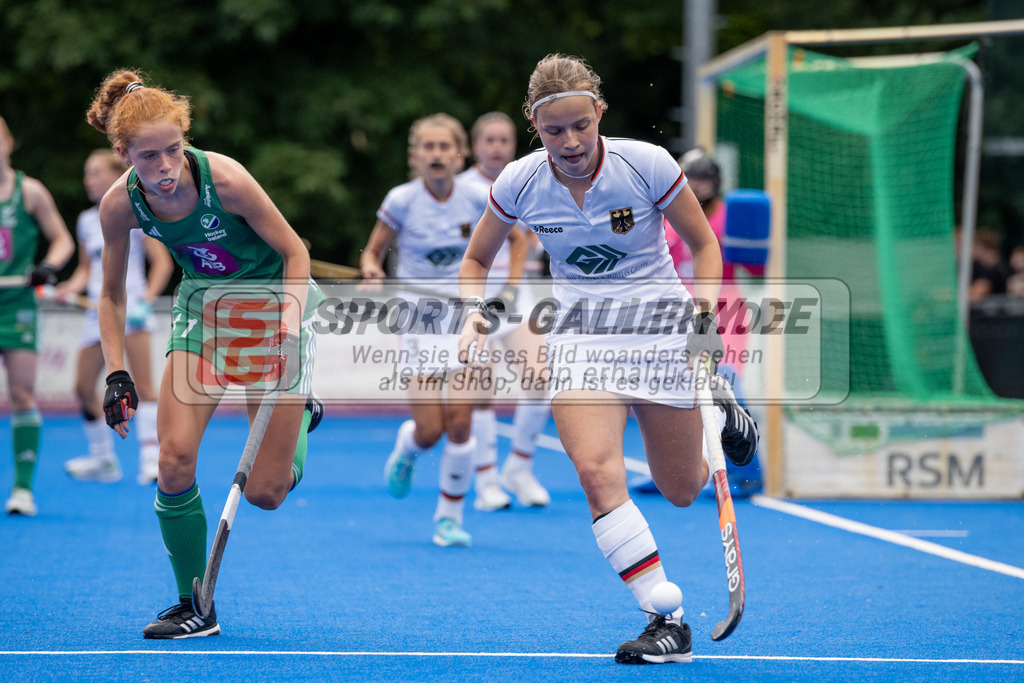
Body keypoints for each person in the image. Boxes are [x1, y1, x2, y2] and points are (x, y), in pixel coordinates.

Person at [457, 54, 759, 665]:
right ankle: (663, 618)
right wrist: (475, 311)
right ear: (534, 128)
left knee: (680, 489)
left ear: (599, 113)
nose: (569, 142)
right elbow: (475, 261)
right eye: (553, 131)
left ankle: (722, 414)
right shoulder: (518, 182)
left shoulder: (645, 165)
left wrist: (704, 321)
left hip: (659, 328)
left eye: (579, 126)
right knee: (595, 472)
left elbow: (704, 245)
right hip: (583, 340)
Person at [86, 69, 324, 639]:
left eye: (173, 150)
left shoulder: (228, 180)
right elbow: (112, 294)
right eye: (148, 157)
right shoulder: (120, 206)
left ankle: (301, 422)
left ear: (185, 139)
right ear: (123, 153)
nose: (165, 167)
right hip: (204, 311)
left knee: (266, 493)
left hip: (274, 305)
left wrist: (289, 324)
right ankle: (195, 605)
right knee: (172, 459)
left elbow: (296, 252)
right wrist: (117, 371)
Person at [360, 113, 527, 547]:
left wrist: (509, 287)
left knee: (460, 421)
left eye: (444, 148)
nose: (436, 155)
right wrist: (372, 269)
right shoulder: (400, 199)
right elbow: (373, 252)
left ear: (459, 155)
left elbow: (518, 239)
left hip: (465, 321)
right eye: (427, 148)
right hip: (418, 323)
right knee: (430, 428)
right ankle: (409, 447)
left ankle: (448, 518)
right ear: (415, 156)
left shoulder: (477, 196)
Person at [649, 147, 763, 497]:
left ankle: (748, 470)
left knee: (725, 381)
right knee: (664, 391)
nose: (697, 187)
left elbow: (757, 267)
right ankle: (668, 469)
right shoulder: (666, 216)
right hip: (676, 311)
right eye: (691, 179)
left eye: (704, 180)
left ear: (716, 182)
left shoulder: (730, 217)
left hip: (723, 309)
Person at [59, 149, 173, 485]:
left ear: (115, 175)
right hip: (97, 313)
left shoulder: (134, 211)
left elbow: (163, 263)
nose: (88, 180)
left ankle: (151, 460)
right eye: (86, 174)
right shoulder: (83, 221)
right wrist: (69, 288)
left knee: (143, 384)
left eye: (95, 173)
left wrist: (146, 300)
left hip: (131, 309)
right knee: (82, 387)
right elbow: (85, 269)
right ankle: (103, 459)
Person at [459, 112, 551, 511]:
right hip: (475, 300)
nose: (497, 147)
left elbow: (536, 242)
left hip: (517, 299)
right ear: (475, 146)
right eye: (489, 140)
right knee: (480, 391)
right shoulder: (460, 189)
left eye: (504, 140)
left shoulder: (531, 183)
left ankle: (520, 466)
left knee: (540, 378)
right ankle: (486, 480)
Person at [0, 115, 76, 516]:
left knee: (22, 393)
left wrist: (49, 264)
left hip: (17, 306)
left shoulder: (29, 192)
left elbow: (62, 239)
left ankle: (22, 489)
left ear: (9, 142)